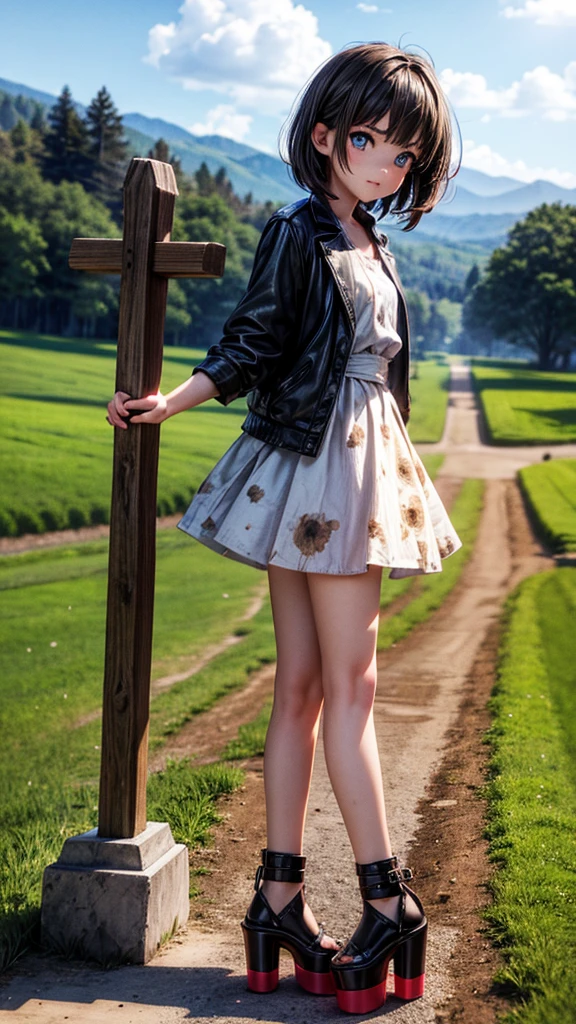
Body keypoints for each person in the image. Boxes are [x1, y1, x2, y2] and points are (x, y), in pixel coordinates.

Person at [107, 41, 462, 1015]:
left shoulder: (372, 241)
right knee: (343, 687)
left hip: (352, 468)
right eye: (370, 142)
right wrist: (170, 402)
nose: (387, 164)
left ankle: (277, 901)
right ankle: (389, 902)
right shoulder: (301, 233)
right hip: (322, 472)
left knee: (311, 685)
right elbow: (255, 339)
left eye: (404, 154)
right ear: (324, 137)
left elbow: (382, 373)